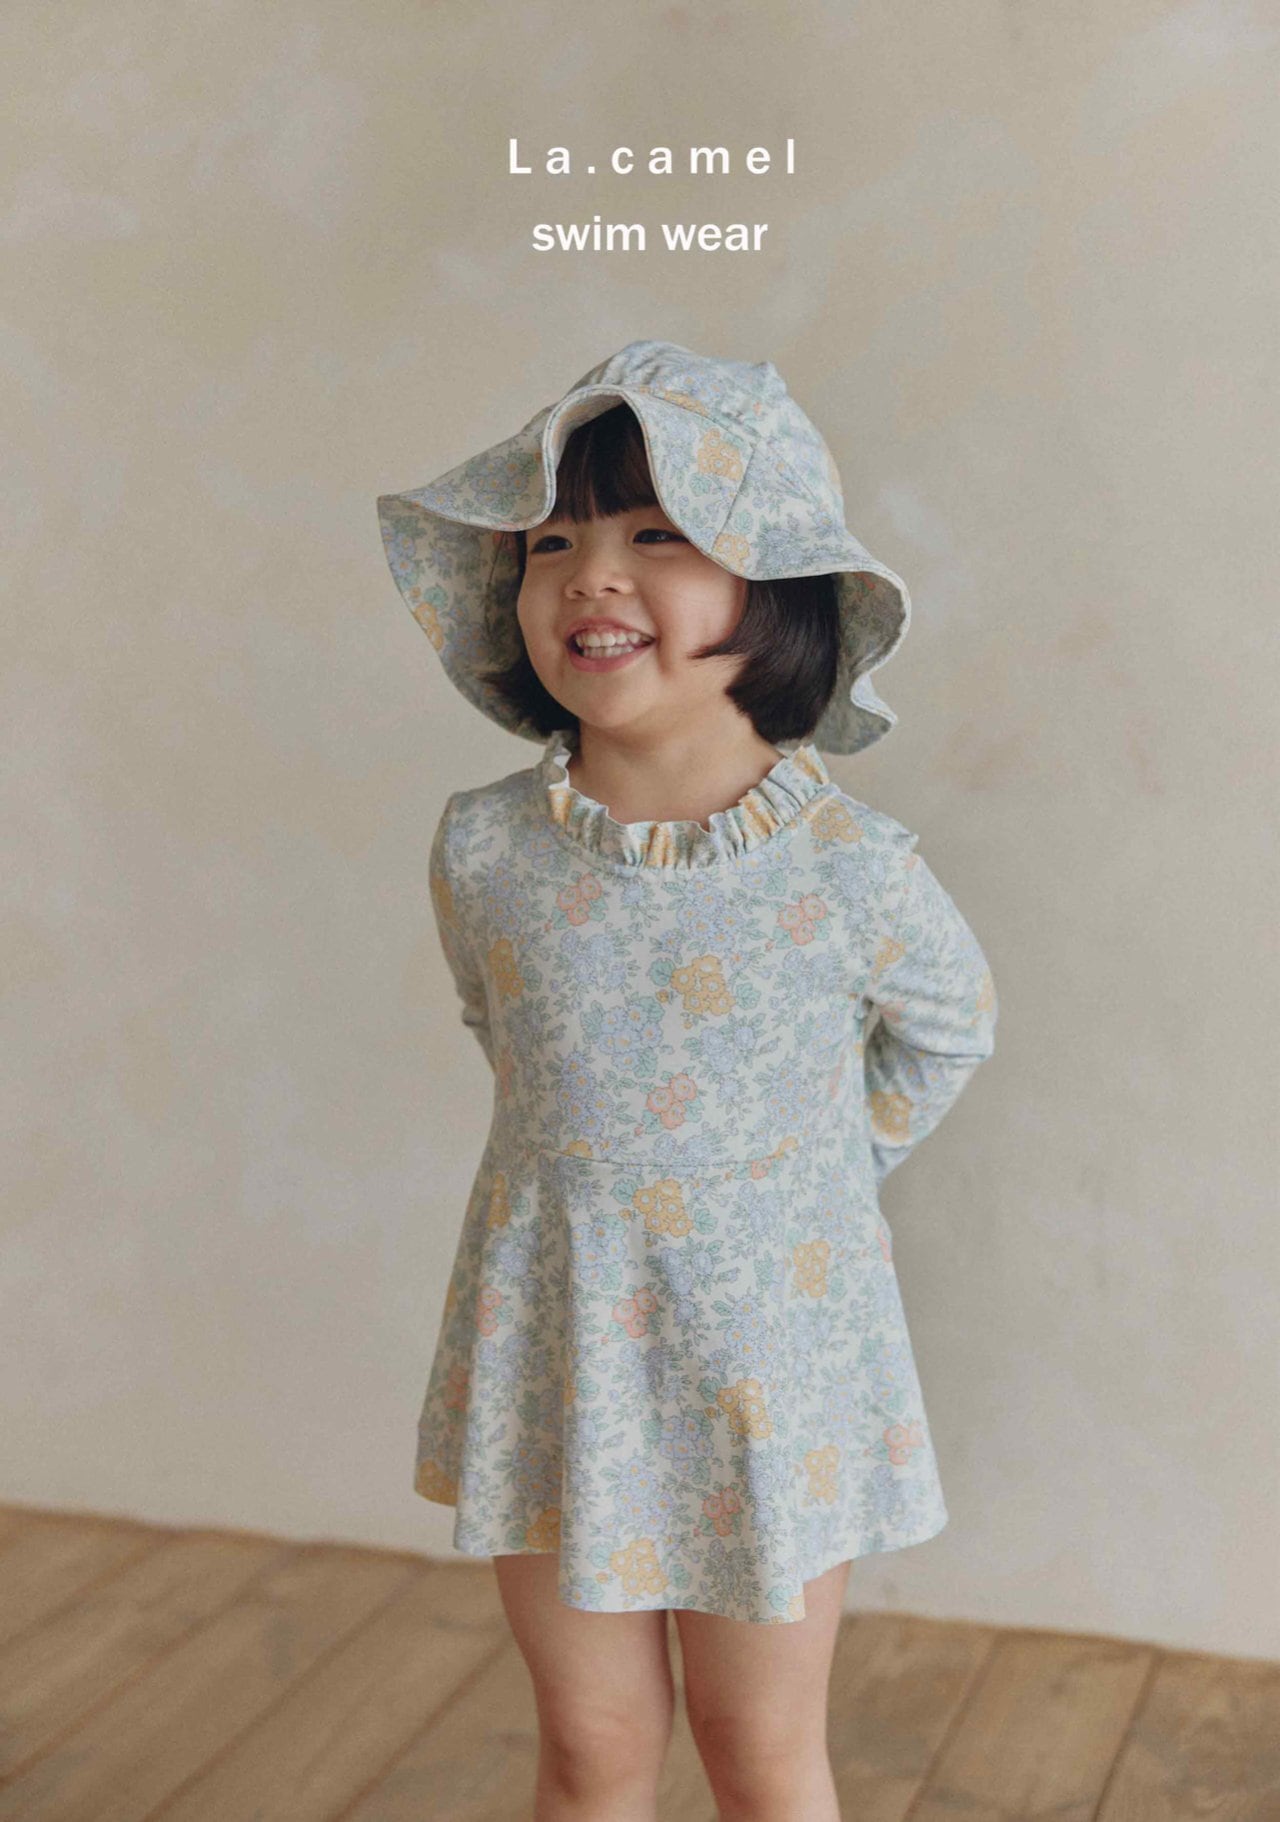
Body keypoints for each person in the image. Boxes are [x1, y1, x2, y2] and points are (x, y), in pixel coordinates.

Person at [376, 340, 998, 1821]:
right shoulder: (485, 849)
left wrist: (807, 1176)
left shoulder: (849, 867)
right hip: (560, 1358)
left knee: (759, 1753)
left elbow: (949, 1027)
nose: (592, 573)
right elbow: (505, 1027)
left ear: (774, 582)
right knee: (590, 1751)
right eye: (551, 542)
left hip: (767, 1365)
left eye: (658, 532)